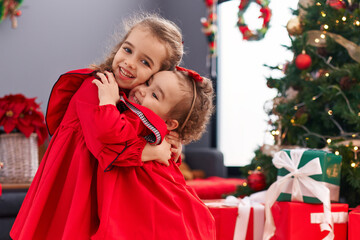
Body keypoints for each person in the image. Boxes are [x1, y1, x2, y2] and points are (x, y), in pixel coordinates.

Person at [11, 13, 184, 240]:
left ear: (158, 74)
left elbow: (145, 134)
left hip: (103, 187)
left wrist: (171, 144)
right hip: (76, 183)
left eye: (145, 62)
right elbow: (107, 144)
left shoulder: (133, 102)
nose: (129, 63)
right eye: (128, 49)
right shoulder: (96, 87)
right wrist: (152, 151)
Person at [86, 66, 216, 239]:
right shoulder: (142, 120)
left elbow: (110, 136)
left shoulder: (139, 121)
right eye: (148, 82)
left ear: (170, 124)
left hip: (148, 205)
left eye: (154, 95)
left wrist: (107, 102)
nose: (142, 91)